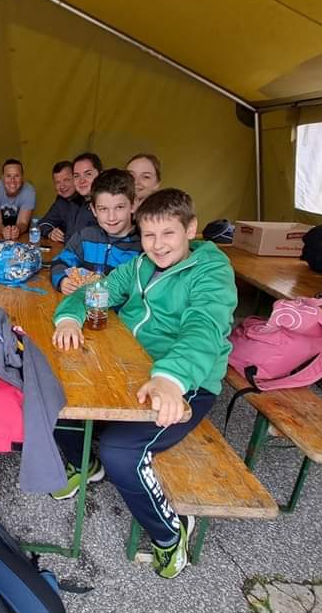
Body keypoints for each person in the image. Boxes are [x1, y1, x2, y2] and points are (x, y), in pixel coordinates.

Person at [50, 188, 237, 579]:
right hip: (131, 364)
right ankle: (85, 464)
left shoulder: (212, 272)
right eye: (150, 235)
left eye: (169, 233)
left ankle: (169, 533)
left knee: (121, 452)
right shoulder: (139, 265)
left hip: (187, 380)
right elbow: (94, 292)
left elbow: (204, 328)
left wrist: (170, 379)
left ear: (191, 229)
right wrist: (68, 318)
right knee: (57, 394)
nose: (158, 244)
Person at [50, 169, 141, 293]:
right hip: (85, 304)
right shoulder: (84, 237)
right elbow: (60, 262)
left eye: (119, 207)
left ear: (133, 205)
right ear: (93, 210)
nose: (111, 217)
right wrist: (62, 280)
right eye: (103, 209)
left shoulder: (142, 246)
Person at [0, 159, 36, 240]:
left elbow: (23, 222)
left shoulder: (29, 191)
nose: (12, 181)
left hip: (18, 226)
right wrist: (3, 231)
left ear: (22, 178)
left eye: (17, 176)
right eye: (8, 176)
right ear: (2, 178)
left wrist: (17, 230)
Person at [37, 160, 84, 243]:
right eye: (58, 182)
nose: (62, 186)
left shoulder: (88, 198)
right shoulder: (61, 201)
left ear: (76, 178)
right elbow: (43, 223)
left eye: (66, 180)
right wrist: (50, 233)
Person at [62, 152, 101, 241]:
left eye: (88, 174)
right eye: (77, 176)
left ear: (100, 175)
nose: (82, 181)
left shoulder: (108, 206)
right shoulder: (75, 203)